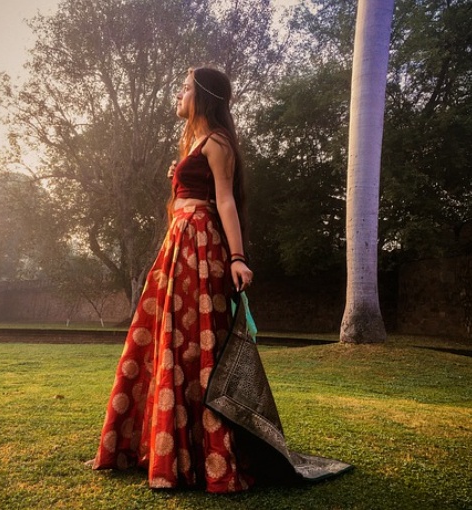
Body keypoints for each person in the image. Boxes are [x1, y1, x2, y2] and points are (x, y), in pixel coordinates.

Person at [89, 66, 351, 493]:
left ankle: (202, 454)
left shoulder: (218, 143)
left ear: (205, 96)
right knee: (168, 340)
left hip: (199, 246)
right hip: (178, 247)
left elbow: (225, 201)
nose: (178, 92)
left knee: (196, 341)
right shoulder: (191, 141)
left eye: (186, 87)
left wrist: (237, 257)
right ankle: (163, 448)